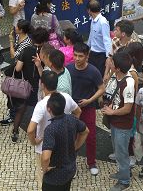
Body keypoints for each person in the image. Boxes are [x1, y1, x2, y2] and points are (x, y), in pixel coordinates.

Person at [27, 71, 81, 189]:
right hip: (64, 144)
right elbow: (78, 112)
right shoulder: (66, 97)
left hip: (44, 148)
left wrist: (34, 141)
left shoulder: (41, 105)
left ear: (42, 84)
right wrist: (71, 127)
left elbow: (30, 130)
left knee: (44, 179)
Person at [67, 42, 105, 176]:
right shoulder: (69, 68)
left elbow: (101, 89)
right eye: (75, 55)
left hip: (88, 108)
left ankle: (91, 162)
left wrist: (90, 100)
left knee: (90, 136)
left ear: (87, 56)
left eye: (80, 56)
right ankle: (71, 162)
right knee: (71, 136)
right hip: (72, 109)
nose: (77, 58)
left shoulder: (93, 71)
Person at [101, 52, 136, 190]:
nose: (110, 63)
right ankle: (123, 172)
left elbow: (128, 108)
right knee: (118, 150)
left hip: (123, 124)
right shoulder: (115, 76)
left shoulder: (128, 83)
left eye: (112, 63)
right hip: (115, 121)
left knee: (122, 153)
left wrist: (112, 111)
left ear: (118, 68)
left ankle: (124, 181)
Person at [41, 92, 89, 191]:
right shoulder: (72, 119)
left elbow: (46, 158)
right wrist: (75, 147)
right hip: (70, 170)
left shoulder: (50, 129)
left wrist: (45, 169)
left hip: (54, 177)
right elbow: (85, 131)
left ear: (48, 109)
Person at [11, 27, 47, 143]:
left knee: (21, 108)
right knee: (40, 109)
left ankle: (15, 132)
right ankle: (39, 133)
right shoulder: (45, 52)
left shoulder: (26, 50)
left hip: (25, 84)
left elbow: (17, 68)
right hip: (39, 85)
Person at [1, 19, 33, 126]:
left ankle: (14, 114)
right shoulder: (19, 37)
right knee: (12, 91)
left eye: (17, 27)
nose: (15, 27)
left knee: (15, 91)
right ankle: (13, 112)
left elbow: (13, 55)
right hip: (16, 66)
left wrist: (10, 41)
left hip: (20, 69)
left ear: (22, 29)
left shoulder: (26, 43)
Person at [87, 0, 112, 76]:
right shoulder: (93, 20)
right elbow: (91, 36)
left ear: (89, 10)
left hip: (101, 55)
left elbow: (107, 40)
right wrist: (87, 49)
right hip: (93, 53)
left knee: (98, 75)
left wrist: (109, 56)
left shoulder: (103, 22)